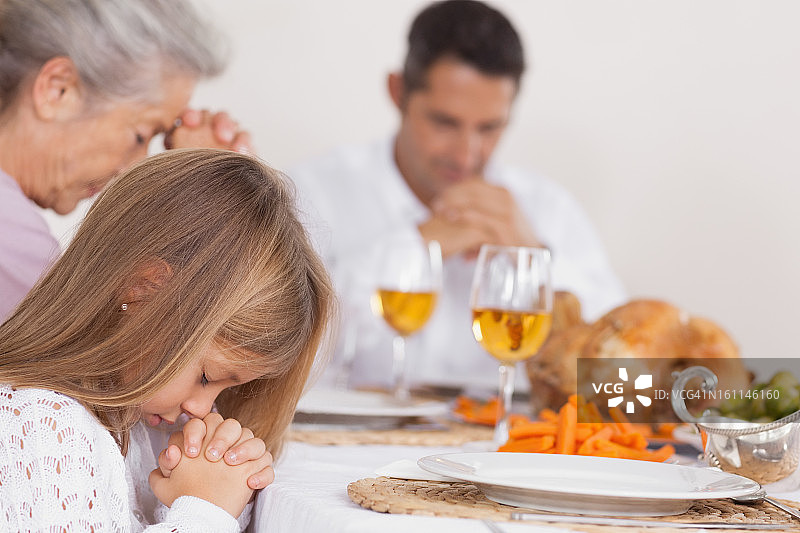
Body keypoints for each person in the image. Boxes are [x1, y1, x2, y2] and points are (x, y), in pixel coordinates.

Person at [289, 0, 626, 391]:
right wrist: (418, 247)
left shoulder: (548, 209)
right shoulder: (312, 193)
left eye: (489, 128)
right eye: (444, 122)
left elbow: (621, 381)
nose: (467, 155)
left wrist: (536, 261)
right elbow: (276, 359)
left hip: (507, 450)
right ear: (398, 92)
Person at [0, 149, 334, 531]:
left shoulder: (143, 428)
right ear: (144, 289)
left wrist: (216, 486)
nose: (202, 409)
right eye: (207, 377)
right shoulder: (41, 428)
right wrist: (205, 512)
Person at [0, 0, 253, 320]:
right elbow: (92, 357)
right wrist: (207, 201)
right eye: (140, 135)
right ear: (58, 90)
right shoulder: (14, 248)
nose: (131, 169)